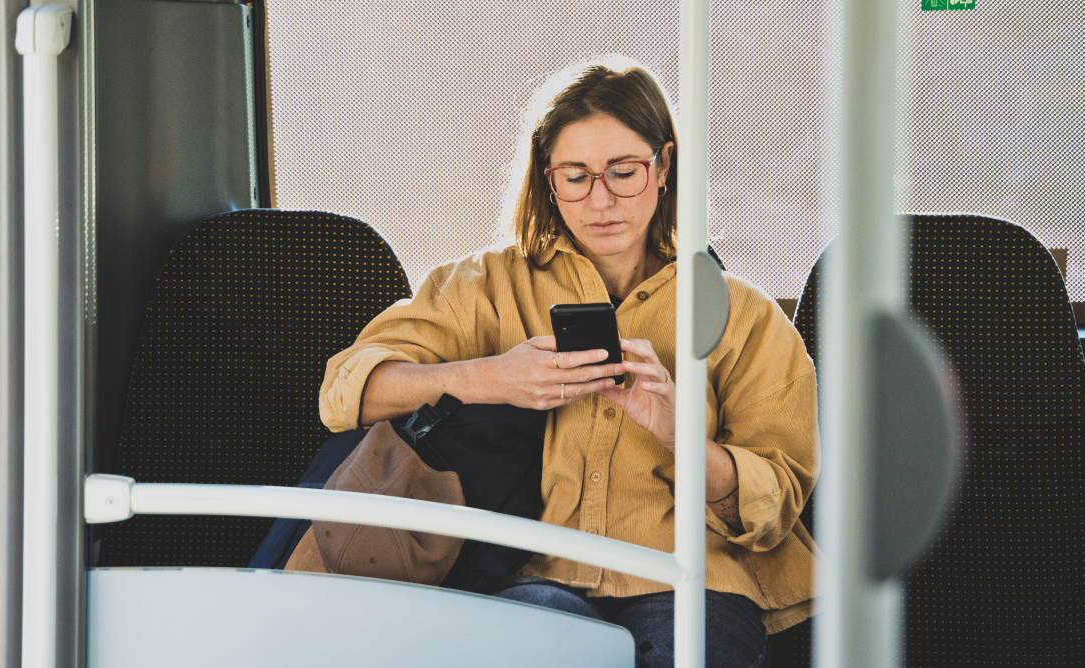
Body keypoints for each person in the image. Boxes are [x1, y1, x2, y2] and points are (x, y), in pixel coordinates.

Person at [318, 57, 818, 667]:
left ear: (664, 167)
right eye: (575, 176)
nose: (600, 199)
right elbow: (346, 391)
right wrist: (486, 378)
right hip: (531, 572)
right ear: (547, 180)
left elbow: (776, 506)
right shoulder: (484, 286)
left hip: (695, 582)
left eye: (623, 172)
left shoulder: (745, 317)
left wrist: (676, 432)